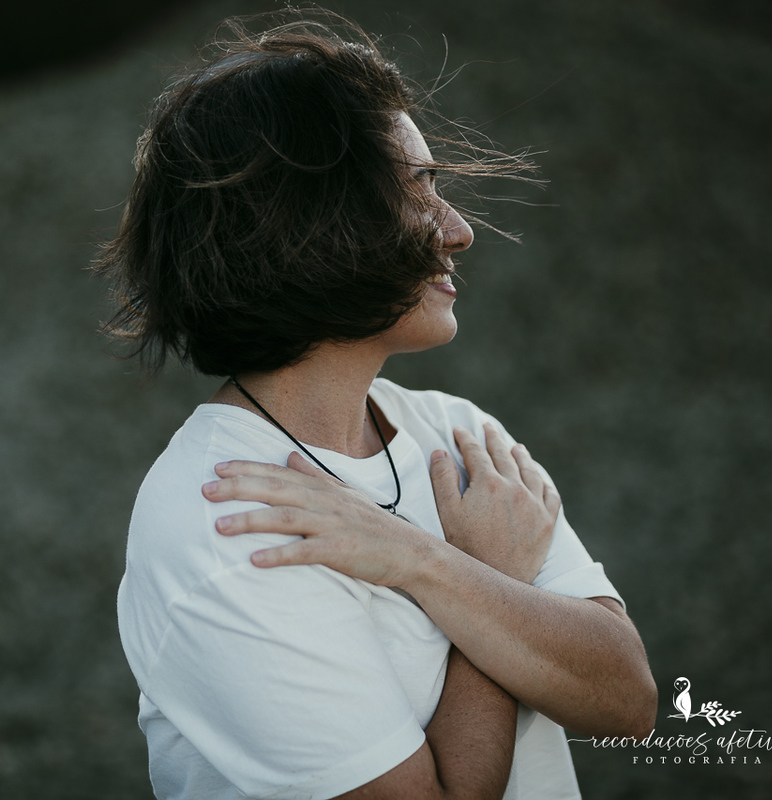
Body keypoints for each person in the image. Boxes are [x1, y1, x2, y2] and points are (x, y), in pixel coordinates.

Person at [98, 11, 657, 799]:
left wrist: (427, 563)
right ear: (308, 224)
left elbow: (629, 702)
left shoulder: (460, 435)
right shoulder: (226, 521)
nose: (458, 231)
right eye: (417, 189)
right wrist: (490, 575)